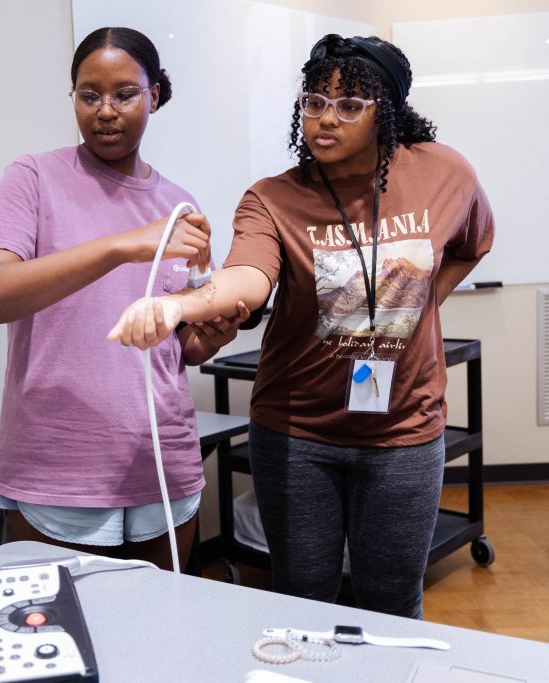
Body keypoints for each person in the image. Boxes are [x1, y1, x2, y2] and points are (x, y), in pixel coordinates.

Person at [108, 34, 494, 616]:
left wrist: (422, 304)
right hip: (298, 433)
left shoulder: (444, 173)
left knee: (391, 599)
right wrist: (179, 306)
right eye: (314, 102)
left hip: (404, 432)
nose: (324, 119)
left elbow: (473, 243)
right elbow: (248, 277)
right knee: (302, 598)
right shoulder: (273, 199)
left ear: (385, 111)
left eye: (348, 106)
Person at [0, 26, 250, 571]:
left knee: (160, 636)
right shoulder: (33, 178)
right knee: (71, 645)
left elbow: (179, 348)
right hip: (57, 465)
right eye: (88, 95)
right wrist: (122, 245)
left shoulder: (178, 204)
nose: (105, 111)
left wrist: (206, 338)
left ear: (155, 97)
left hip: (161, 459)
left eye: (125, 94)